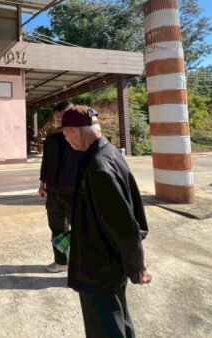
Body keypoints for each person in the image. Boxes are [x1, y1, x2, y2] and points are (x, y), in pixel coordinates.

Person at [61, 106, 151, 338]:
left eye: (66, 134)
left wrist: (137, 266)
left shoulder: (98, 166)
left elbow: (123, 226)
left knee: (105, 327)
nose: (66, 139)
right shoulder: (108, 153)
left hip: (100, 267)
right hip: (108, 264)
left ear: (76, 131)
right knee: (118, 320)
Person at [38, 101, 80, 272]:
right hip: (54, 191)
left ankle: (82, 263)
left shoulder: (80, 136)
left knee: (81, 228)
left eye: (62, 114)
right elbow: (45, 162)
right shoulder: (51, 137)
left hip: (74, 192)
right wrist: (42, 183)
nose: (58, 117)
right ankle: (62, 261)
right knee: (56, 228)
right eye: (56, 114)